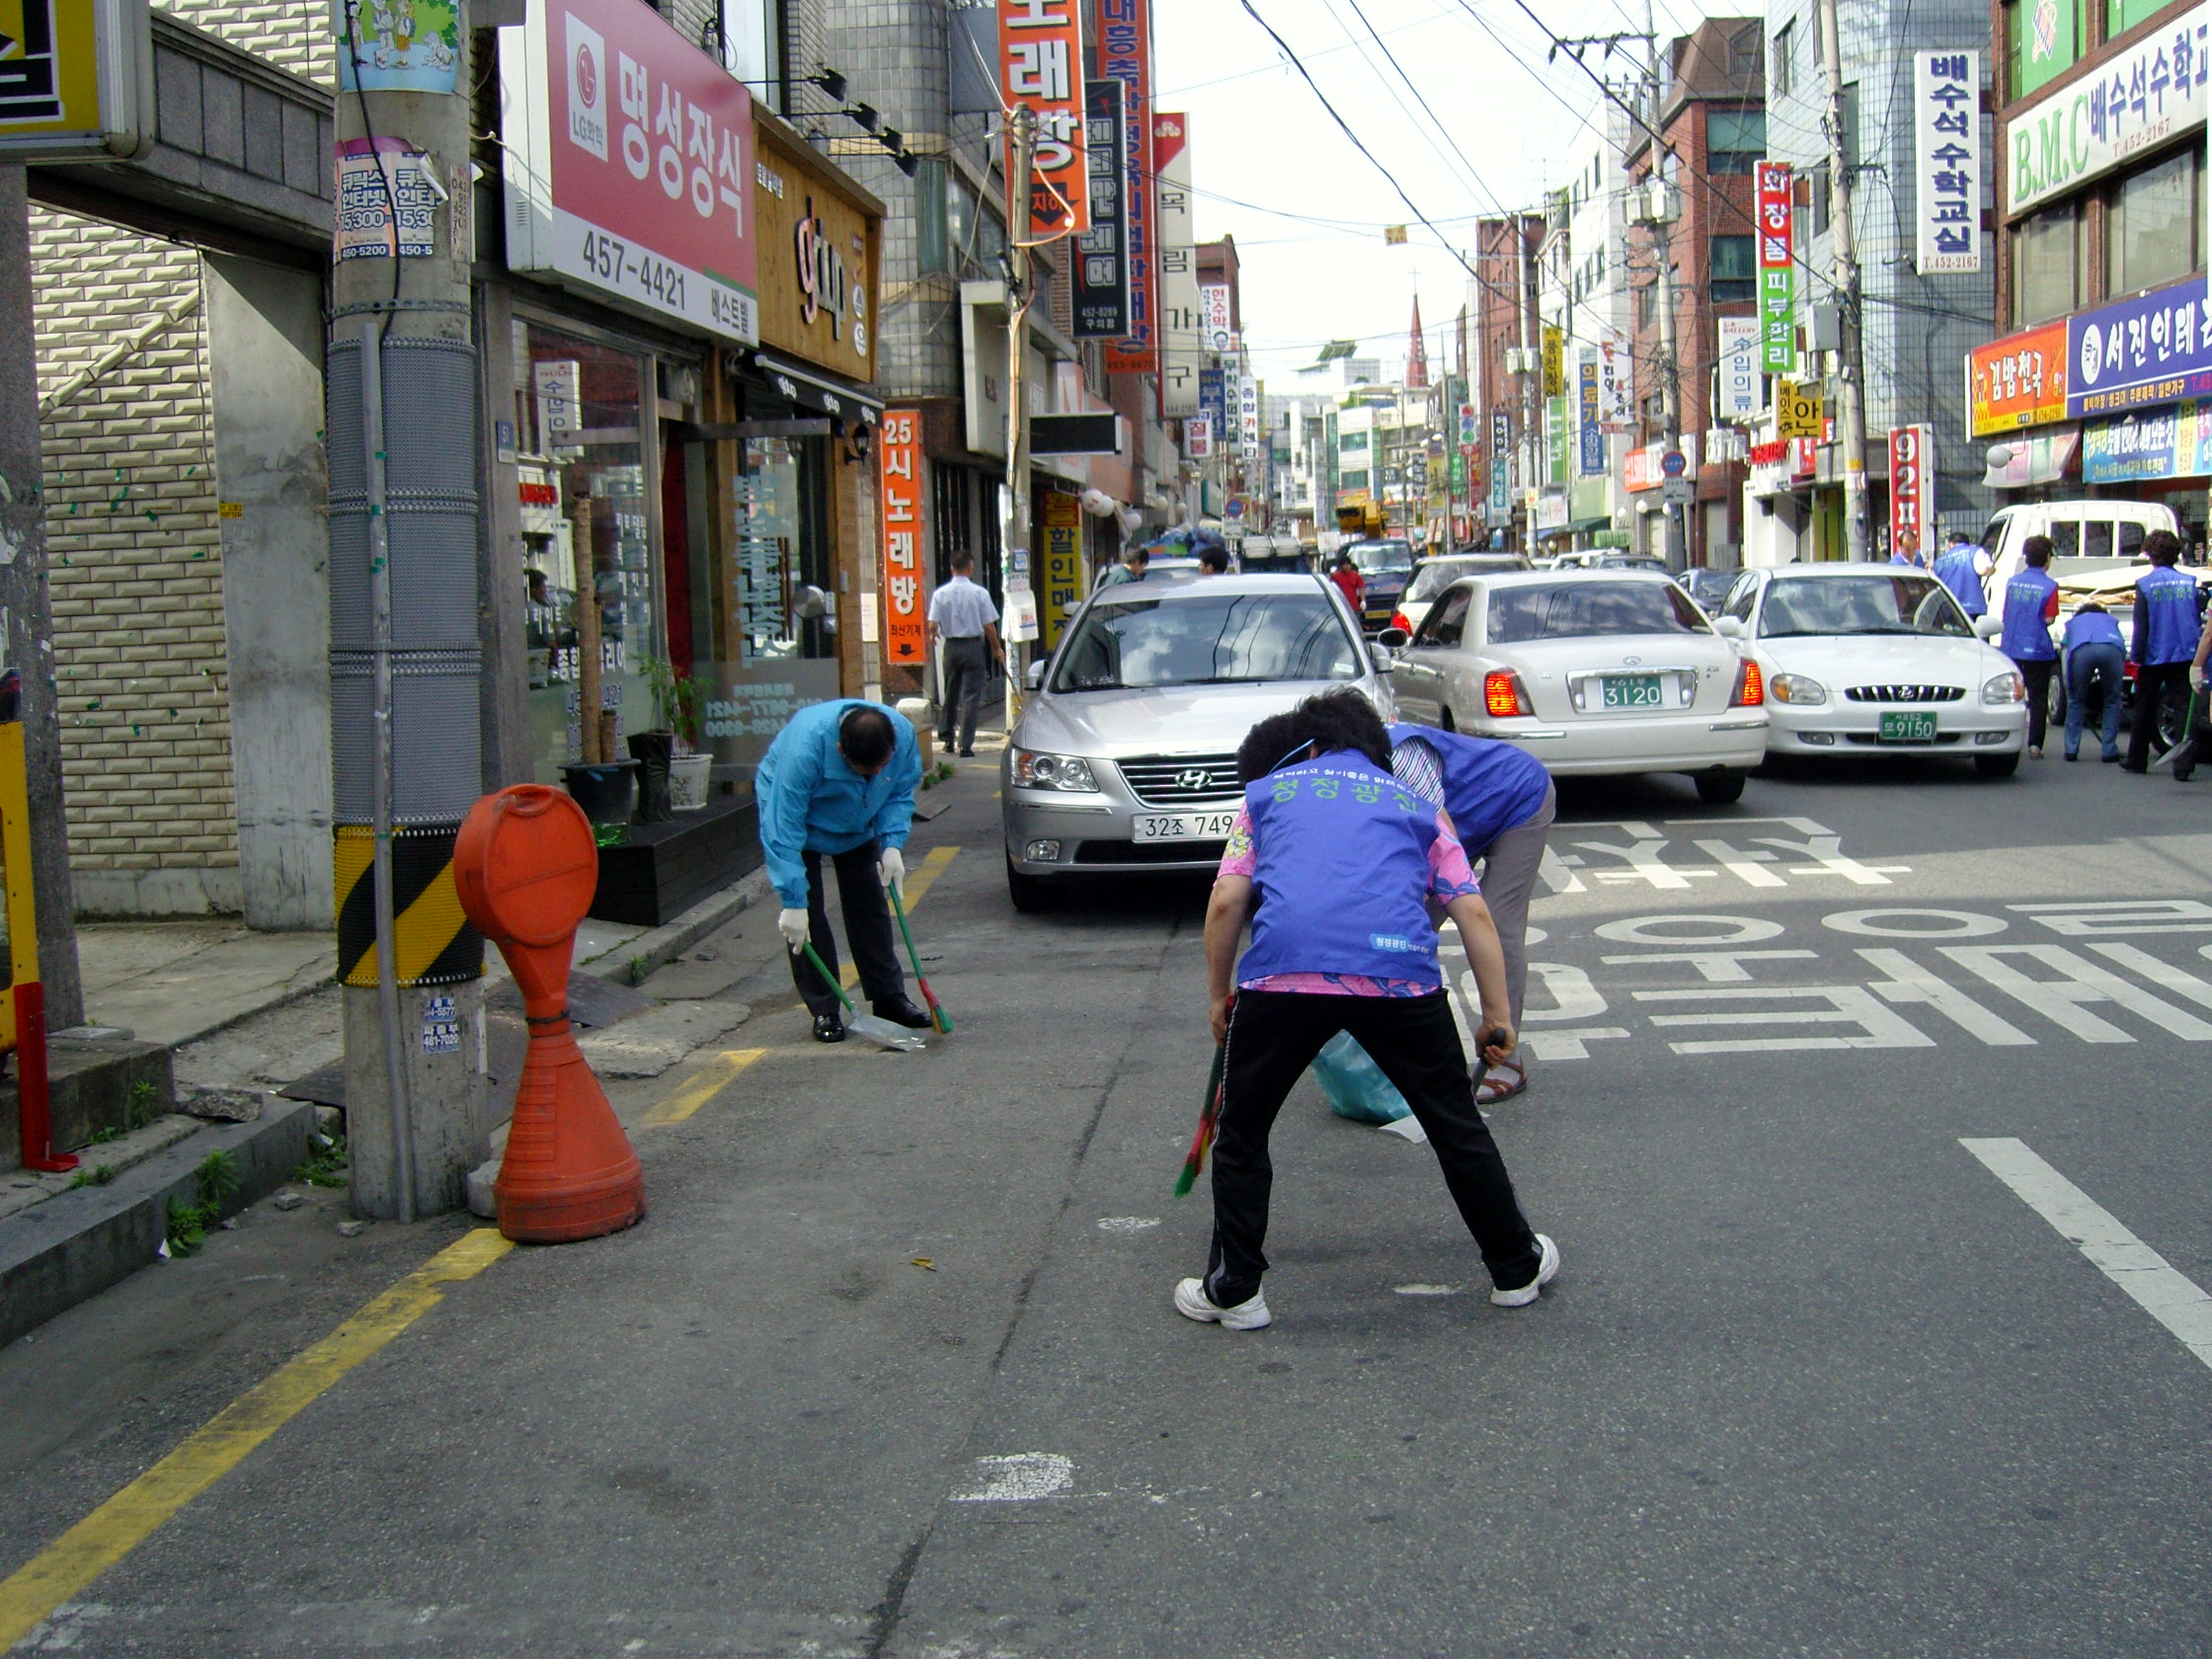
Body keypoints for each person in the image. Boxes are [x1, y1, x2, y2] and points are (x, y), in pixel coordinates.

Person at [1178, 688, 1556, 1331]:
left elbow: (1224, 903)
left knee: (1243, 1133)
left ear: (1311, 743)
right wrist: (1498, 1019)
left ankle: (1236, 1290)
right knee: (1455, 1126)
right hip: (1399, 979)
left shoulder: (1264, 798)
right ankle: (1515, 1268)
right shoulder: (1416, 804)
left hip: (1283, 976)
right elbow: (1473, 913)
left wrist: (1220, 996)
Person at [1386, 721, 1553, 1105]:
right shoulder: (1328, 769)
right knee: (1402, 929)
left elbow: (1447, 848)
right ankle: (1391, 1051)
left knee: (1493, 922)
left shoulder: (1400, 756)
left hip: (1517, 797)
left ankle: (1505, 1056)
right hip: (1459, 818)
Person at [756, 700, 932, 1044]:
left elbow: (898, 791)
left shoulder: (903, 735)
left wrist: (893, 842)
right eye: (860, 769)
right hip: (802, 820)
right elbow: (784, 828)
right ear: (840, 749)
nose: (871, 776)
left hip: (859, 820)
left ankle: (889, 997)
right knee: (808, 916)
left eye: (878, 769)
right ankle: (825, 1007)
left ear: (892, 744)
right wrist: (792, 900)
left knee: (869, 904)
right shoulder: (805, 751)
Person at [2123, 529, 2201, 774]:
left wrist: (2136, 656)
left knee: (2144, 706)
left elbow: (2141, 625)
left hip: (2154, 653)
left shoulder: (2145, 585)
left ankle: (2136, 759)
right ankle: (2184, 765)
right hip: (2185, 651)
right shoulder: (2190, 583)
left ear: (2150, 555)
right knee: (2183, 708)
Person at [925, 551, 1002, 758]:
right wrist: (996, 648)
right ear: (970, 568)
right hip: (972, 647)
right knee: (970, 697)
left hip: (951, 647)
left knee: (951, 693)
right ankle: (966, 745)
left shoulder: (940, 594)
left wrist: (933, 636)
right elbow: (989, 626)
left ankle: (947, 738)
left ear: (952, 569)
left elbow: (932, 623)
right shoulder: (979, 593)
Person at [1998, 533, 2061, 759]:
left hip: (2011, 647)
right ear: (2047, 558)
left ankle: (2002, 738)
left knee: (2008, 697)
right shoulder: (2050, 586)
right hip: (2037, 649)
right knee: (2037, 700)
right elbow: (2049, 619)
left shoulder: (2012, 583)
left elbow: (2007, 611)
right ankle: (2035, 745)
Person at [2060, 601, 2126, 763]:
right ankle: (2109, 749)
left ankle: (2071, 749)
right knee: (2112, 700)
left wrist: (2068, 685)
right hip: (2111, 649)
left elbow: (2065, 650)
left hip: (2082, 650)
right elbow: (2121, 647)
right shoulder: (2110, 621)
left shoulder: (2074, 623)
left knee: (2076, 701)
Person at [1932, 528, 1992, 619]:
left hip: (1949, 608)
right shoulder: (1975, 552)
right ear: (1968, 543)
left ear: (1950, 544)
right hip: (1973, 607)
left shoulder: (1938, 562)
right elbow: (1984, 569)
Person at [1328, 550, 1365, 614]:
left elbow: (1361, 587)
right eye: (1344, 565)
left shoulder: (1355, 575)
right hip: (1341, 606)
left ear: (1350, 565)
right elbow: (1331, 589)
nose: (1346, 566)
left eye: (1348, 564)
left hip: (1354, 606)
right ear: (1341, 566)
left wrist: (1363, 601)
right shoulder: (1335, 576)